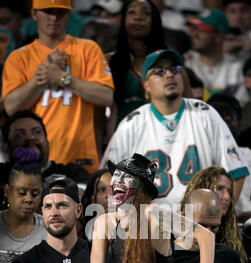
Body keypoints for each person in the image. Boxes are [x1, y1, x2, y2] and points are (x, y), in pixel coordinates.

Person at [101, 49, 249, 206]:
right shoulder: (131, 123)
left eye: (174, 69)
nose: (169, 75)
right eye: (159, 72)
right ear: (146, 85)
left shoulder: (205, 113)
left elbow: (236, 172)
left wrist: (219, 219)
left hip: (198, 223)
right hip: (149, 223)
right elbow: (106, 180)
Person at [2, 0, 114, 175]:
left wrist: (63, 78)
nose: (54, 17)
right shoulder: (19, 57)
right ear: (33, 14)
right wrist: (43, 76)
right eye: (48, 11)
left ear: (69, 14)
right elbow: (11, 107)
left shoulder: (88, 49)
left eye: (60, 12)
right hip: (35, 161)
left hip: (82, 158)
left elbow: (106, 96)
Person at [90, 152, 215, 263]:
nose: (119, 181)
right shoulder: (104, 222)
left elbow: (206, 235)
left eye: (128, 176)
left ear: (141, 188)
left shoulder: (153, 214)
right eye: (116, 175)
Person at [0, 110, 90, 208]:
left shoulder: (73, 173)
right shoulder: (2, 174)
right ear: (7, 147)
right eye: (20, 134)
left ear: (47, 142)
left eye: (36, 132)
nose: (30, 137)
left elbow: (78, 198)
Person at [7, 176, 90, 263]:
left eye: (62, 205)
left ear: (78, 210)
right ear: (42, 211)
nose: (54, 213)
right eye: (48, 206)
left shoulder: (99, 258)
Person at [207, 92, 251, 221]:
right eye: (217, 116)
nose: (223, 122)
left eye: (230, 116)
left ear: (239, 123)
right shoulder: (196, 159)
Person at [108, 0, 167, 130]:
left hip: (162, 139)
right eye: (132, 12)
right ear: (123, 20)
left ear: (155, 21)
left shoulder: (170, 63)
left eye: (146, 13)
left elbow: (187, 107)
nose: (138, 17)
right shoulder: (108, 62)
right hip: (123, 139)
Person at [174, 189, 244, 263]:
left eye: (214, 227)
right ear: (182, 218)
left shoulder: (229, 257)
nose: (208, 233)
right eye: (201, 226)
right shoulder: (164, 255)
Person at [181, 165, 247, 263]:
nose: (227, 197)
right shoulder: (175, 234)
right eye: (220, 189)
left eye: (229, 191)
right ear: (203, 189)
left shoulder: (234, 236)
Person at [0, 147, 46, 263]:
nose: (28, 199)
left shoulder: (48, 231)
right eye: (22, 193)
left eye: (35, 194)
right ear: (7, 191)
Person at [184, 9, 247, 103]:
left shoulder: (237, 67)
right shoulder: (185, 62)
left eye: (201, 30)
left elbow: (241, 104)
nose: (194, 34)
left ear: (219, 36)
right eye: (193, 29)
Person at [80, 168, 111, 241]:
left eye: (113, 189)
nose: (108, 195)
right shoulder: (79, 231)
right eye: (102, 190)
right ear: (92, 198)